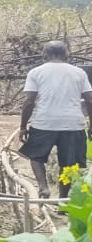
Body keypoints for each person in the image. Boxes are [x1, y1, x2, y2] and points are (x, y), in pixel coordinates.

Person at [19, 41, 92, 198]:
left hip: (44, 123)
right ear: (66, 55)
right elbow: (89, 100)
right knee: (69, 163)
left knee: (36, 156)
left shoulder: (36, 72)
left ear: (44, 55)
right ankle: (63, 198)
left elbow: (29, 101)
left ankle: (43, 187)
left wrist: (23, 127)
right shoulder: (79, 73)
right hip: (73, 124)